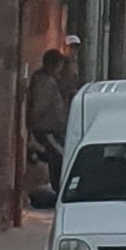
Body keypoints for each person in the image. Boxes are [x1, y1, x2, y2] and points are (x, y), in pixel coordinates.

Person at [25, 46, 72, 198]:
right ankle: (57, 191)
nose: (61, 69)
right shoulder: (44, 81)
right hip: (45, 130)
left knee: (56, 159)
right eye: (59, 65)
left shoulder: (49, 80)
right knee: (57, 158)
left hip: (50, 129)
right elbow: (39, 106)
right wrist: (32, 126)